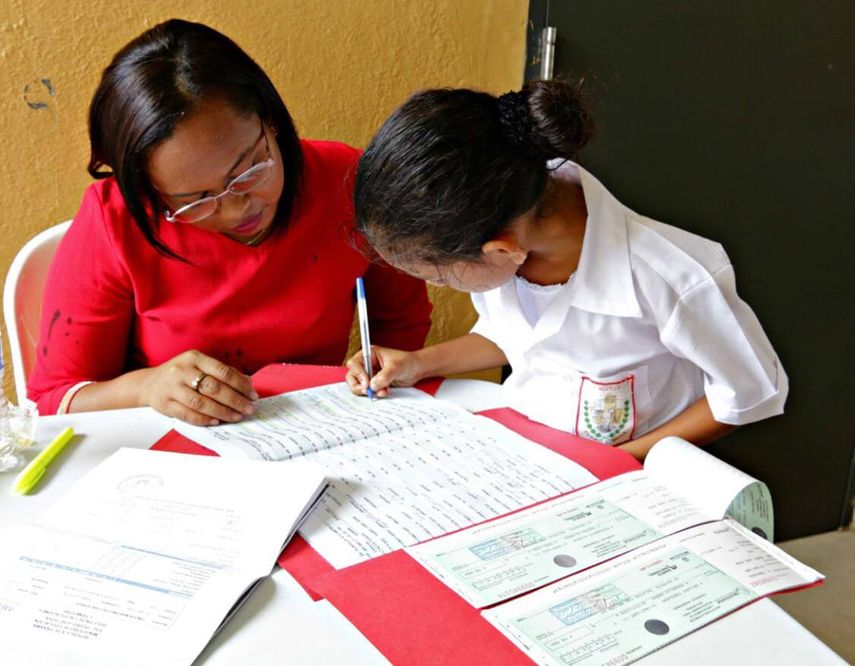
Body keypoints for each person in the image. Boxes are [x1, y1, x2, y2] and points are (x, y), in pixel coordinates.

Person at [345, 81, 787, 460]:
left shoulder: (673, 276)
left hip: (634, 479)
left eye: (440, 277)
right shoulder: (506, 232)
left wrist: (618, 461)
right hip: (536, 454)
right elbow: (515, 333)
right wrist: (419, 363)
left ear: (502, 251)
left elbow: (750, 392)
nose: (438, 285)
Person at [28, 19, 431, 425]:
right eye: (196, 201)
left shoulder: (347, 181)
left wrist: (380, 375)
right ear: (150, 191)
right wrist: (146, 388)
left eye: (249, 171)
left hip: (322, 433)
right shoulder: (115, 221)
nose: (237, 208)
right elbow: (51, 400)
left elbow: (401, 327)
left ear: (270, 120)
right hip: (167, 455)